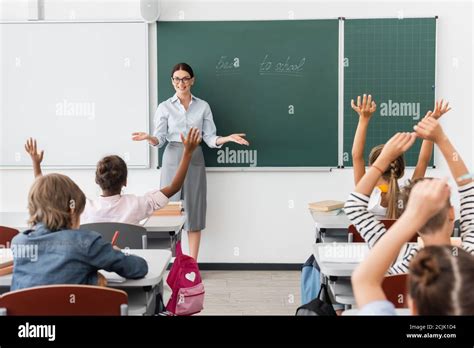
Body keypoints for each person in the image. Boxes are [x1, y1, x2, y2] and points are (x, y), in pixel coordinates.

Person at [132, 62, 249, 260]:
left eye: (185, 78)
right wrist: (148, 138)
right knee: (170, 210)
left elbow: (210, 138)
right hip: (172, 157)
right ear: (172, 81)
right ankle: (176, 262)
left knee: (194, 210)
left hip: (195, 156)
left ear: (192, 80)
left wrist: (226, 138)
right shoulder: (164, 107)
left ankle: (192, 264)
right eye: (177, 79)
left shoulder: (203, 106)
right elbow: (159, 140)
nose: (181, 82)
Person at [24, 128, 201, 225]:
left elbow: (45, 196)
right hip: (127, 273)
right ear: (125, 181)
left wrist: (36, 164)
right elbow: (174, 187)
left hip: (95, 274)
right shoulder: (137, 204)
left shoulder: (83, 208)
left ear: (97, 180)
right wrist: (187, 153)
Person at [352, 178, 474, 315]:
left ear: (413, 307)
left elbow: (364, 280)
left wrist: (414, 216)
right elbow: (470, 192)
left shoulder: (401, 261)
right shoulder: (468, 259)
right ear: (451, 213)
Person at [11, 173, 148, 290]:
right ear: (72, 210)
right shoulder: (85, 242)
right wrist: (116, 253)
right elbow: (139, 268)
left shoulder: (19, 242)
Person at [351, 95, 450, 218]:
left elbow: (356, 156)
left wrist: (363, 119)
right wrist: (431, 124)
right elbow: (423, 161)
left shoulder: (366, 193)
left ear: (373, 166)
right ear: (399, 168)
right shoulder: (407, 195)